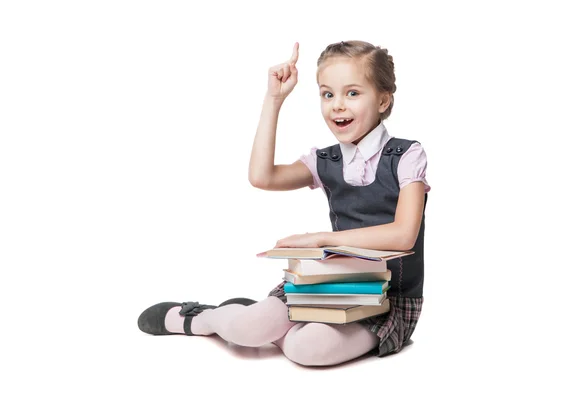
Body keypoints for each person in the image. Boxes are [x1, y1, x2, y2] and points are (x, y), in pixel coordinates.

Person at [138, 40, 430, 366]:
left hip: (389, 299)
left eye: (352, 93)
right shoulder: (326, 160)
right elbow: (262, 176)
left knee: (307, 350)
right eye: (327, 94)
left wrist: (321, 239)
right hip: (333, 282)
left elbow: (404, 234)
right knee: (249, 328)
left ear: (382, 99)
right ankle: (200, 318)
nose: (337, 105)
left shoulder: (406, 155)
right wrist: (274, 100)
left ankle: (266, 321)